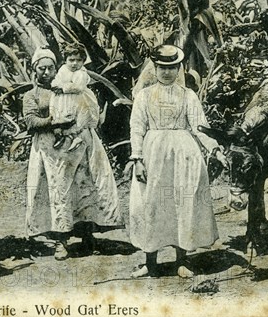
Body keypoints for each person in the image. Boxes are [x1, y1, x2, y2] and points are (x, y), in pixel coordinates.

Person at [128, 44, 227, 278]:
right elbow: (136, 128)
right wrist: (138, 159)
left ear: (179, 68)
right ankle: (150, 262)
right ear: (155, 68)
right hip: (153, 154)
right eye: (162, 67)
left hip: (184, 154)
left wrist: (215, 149)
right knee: (150, 204)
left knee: (183, 203)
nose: (167, 73)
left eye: (172, 68)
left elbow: (200, 127)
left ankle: (182, 260)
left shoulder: (188, 96)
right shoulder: (144, 96)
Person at [23, 48, 124, 260]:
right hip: (50, 148)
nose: (47, 72)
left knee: (85, 186)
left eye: (50, 67)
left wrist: (81, 126)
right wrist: (53, 122)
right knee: (58, 190)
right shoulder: (32, 95)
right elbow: (31, 122)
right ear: (34, 70)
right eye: (42, 68)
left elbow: (88, 109)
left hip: (80, 142)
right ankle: (61, 240)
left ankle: (87, 234)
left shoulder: (72, 86)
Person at [49, 42, 99, 152]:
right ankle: (62, 136)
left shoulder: (81, 73)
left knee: (79, 118)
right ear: (65, 60)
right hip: (63, 99)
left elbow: (78, 87)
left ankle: (77, 137)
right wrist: (55, 85)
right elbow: (57, 80)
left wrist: (63, 88)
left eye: (78, 60)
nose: (74, 64)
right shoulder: (63, 69)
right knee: (60, 115)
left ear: (83, 61)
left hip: (78, 99)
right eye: (71, 60)